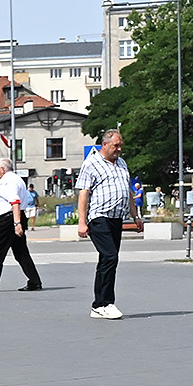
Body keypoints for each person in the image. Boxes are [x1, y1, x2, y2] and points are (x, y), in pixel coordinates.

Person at [75, 129, 132, 320]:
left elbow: (128, 190)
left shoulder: (122, 164)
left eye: (120, 145)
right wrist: (82, 222)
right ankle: (106, 302)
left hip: (117, 218)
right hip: (99, 217)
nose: (119, 149)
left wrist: (136, 216)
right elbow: (83, 194)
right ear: (105, 144)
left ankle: (98, 305)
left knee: (107, 261)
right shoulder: (91, 163)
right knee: (110, 256)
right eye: (116, 145)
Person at [0, 157, 42, 293]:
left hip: (9, 220)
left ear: (3, 169)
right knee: (21, 252)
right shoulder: (16, 179)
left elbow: (14, 202)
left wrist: (16, 223)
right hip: (15, 217)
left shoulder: (7, 181)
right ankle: (34, 281)